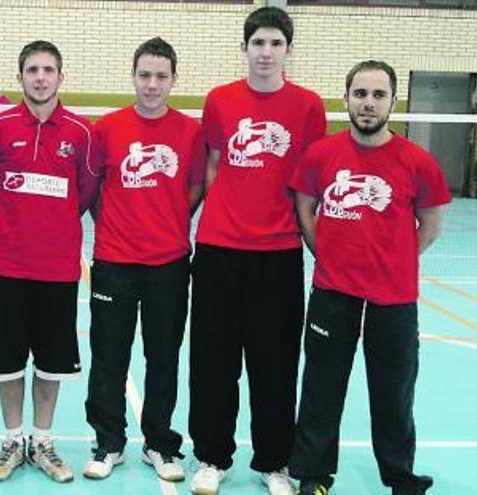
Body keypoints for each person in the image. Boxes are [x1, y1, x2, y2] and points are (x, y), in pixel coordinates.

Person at [288, 60, 448, 495]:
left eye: (378, 95)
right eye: (360, 94)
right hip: (332, 294)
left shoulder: (417, 162)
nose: (368, 103)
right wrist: (330, 254)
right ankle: (314, 476)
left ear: (394, 102)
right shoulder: (321, 155)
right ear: (347, 99)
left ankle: (400, 477)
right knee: (322, 388)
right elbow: (305, 209)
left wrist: (395, 261)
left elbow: (431, 223)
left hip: (393, 300)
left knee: (393, 394)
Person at [188, 7, 327, 495]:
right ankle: (211, 456)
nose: (265, 53)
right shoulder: (221, 100)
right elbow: (212, 164)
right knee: (213, 360)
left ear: (288, 50)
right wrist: (213, 220)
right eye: (258, 43)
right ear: (244, 48)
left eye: (275, 44)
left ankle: (273, 460)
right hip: (219, 250)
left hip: (279, 253)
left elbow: (310, 184)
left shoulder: (309, 106)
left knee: (275, 362)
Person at [0, 39, 99, 484]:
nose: (41, 77)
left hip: (58, 268)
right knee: (8, 361)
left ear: (60, 78)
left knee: (51, 363)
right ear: (21, 76)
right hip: (6, 266)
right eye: (32, 70)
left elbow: (84, 194)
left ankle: (42, 441)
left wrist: (54, 226)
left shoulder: (82, 133)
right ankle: (13, 440)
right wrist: (11, 225)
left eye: (49, 70)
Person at [82, 37, 205, 482]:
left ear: (174, 80)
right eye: (144, 75)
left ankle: (159, 443)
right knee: (109, 357)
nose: (152, 85)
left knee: (164, 357)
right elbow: (94, 191)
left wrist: (170, 220)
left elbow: (195, 188)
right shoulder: (107, 128)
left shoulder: (191, 132)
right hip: (114, 262)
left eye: (161, 76)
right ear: (133, 77)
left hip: (169, 264)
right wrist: (118, 224)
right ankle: (108, 441)